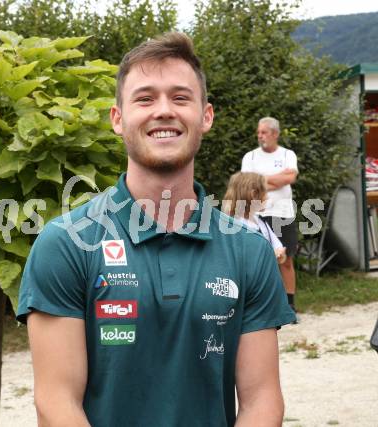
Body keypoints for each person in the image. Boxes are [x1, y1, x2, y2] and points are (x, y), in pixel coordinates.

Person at [17, 33, 296, 427]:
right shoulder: (65, 243)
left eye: (180, 98)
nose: (163, 110)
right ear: (118, 118)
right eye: (145, 98)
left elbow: (263, 401)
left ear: (206, 116)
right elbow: (56, 402)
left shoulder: (248, 250)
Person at [241, 117, 299, 315]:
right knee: (257, 261)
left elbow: (290, 177)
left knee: (286, 259)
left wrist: (261, 180)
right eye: (259, 132)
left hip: (283, 214)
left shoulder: (287, 154)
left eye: (264, 132)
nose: (260, 136)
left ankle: (290, 304)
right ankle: (260, 303)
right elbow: (248, 183)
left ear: (275, 134)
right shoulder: (250, 157)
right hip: (257, 216)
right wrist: (277, 179)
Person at [223, 171, 287, 264]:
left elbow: (279, 249)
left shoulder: (260, 222)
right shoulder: (234, 225)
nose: (268, 197)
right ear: (253, 195)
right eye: (266, 192)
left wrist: (278, 255)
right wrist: (272, 255)